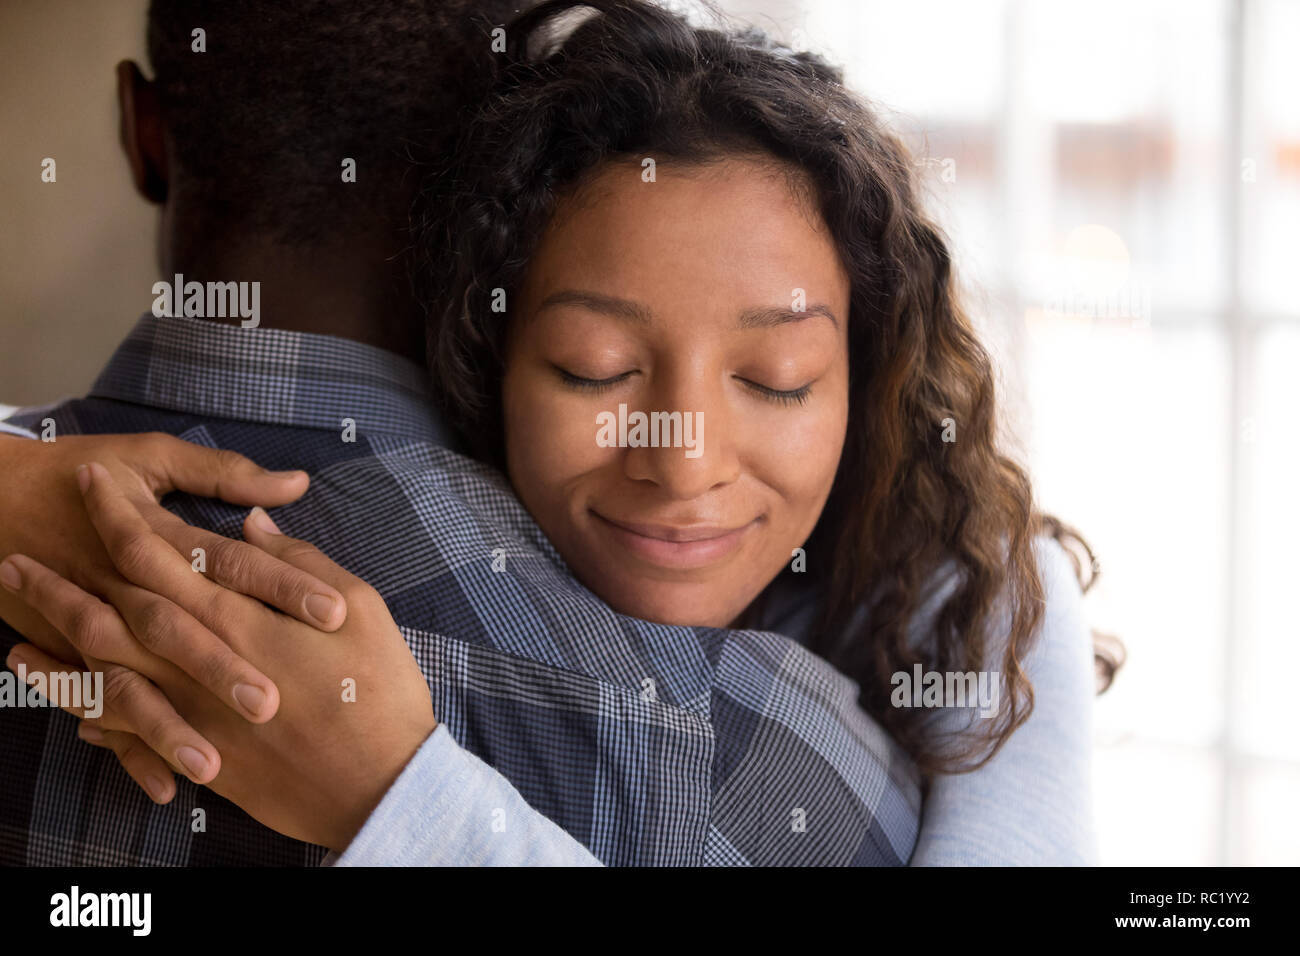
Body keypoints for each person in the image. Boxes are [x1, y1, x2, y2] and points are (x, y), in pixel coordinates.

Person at [1, 0, 1100, 865]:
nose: (683, 457)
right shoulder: (750, 762)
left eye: (776, 377)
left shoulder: (955, 610)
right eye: (593, 369)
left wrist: (406, 797)